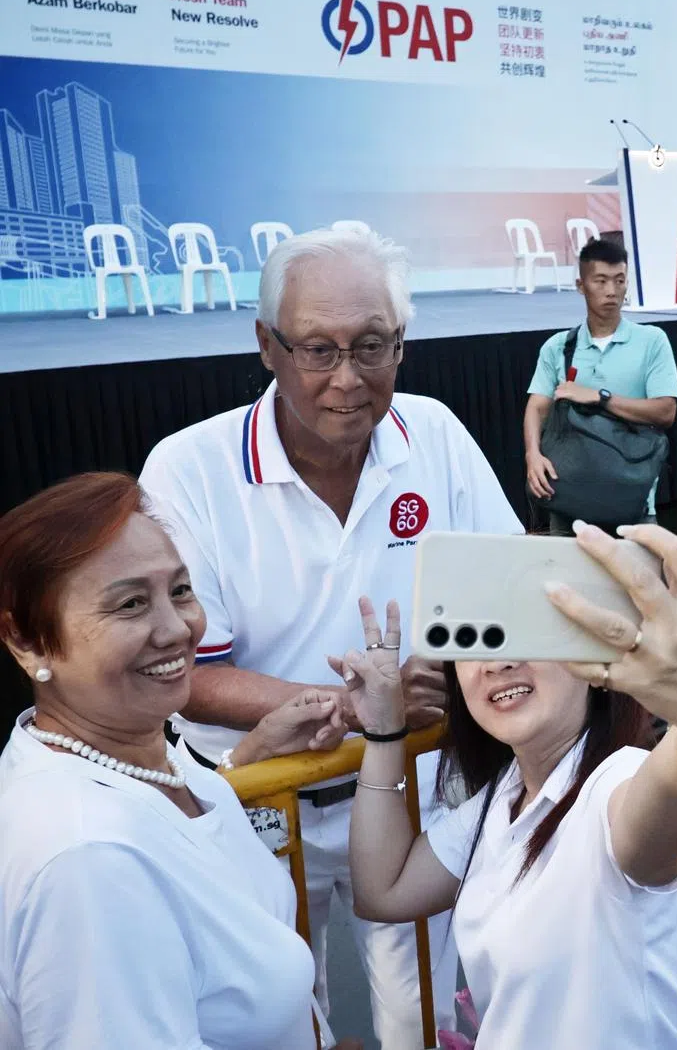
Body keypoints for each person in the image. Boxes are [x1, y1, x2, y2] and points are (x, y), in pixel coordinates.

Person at [139, 225, 523, 1050]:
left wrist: (453, 672)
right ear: (267, 347)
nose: (348, 380)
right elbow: (184, 671)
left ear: (402, 346)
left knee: (421, 1017)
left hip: (411, 793)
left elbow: (510, 592)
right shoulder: (188, 469)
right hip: (260, 805)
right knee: (283, 1020)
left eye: (372, 346)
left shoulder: (438, 436)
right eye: (317, 349)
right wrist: (361, 706)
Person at [331, 521, 677, 1049]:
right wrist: (385, 731)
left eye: (530, 629)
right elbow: (383, 892)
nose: (500, 661)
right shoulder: (502, 799)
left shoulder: (615, 784)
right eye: (476, 638)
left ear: (592, 653)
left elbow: (673, 794)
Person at [0, 472, 366, 1050]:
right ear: (27, 642)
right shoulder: (90, 863)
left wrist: (249, 758)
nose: (177, 630)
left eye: (180, 590)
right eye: (129, 604)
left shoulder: (142, 760)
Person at [523, 237, 677, 533]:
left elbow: (665, 412)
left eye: (619, 280)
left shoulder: (653, 341)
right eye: (601, 281)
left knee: (637, 581)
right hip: (567, 499)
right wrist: (533, 454)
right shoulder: (557, 347)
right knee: (565, 580)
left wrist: (599, 396)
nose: (612, 291)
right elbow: (537, 407)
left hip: (633, 503)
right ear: (580, 285)